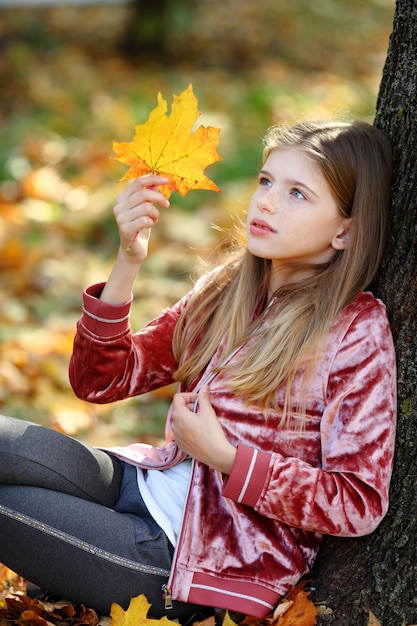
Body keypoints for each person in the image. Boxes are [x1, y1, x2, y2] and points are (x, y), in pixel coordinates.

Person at [0, 120, 396, 623]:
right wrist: (129, 258)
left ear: (346, 230)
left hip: (196, 563)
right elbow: (102, 379)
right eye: (266, 182)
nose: (267, 202)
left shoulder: (355, 328)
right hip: (141, 482)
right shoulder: (228, 288)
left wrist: (228, 458)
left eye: (298, 193)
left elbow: (356, 501)